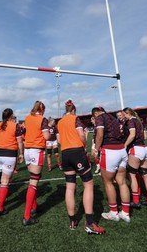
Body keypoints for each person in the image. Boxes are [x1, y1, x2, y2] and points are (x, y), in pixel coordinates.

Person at [57, 100, 105, 235]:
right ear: (74, 110)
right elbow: (82, 136)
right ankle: (90, 223)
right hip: (77, 152)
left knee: (70, 187)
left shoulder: (59, 122)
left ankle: (72, 221)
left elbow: (59, 140)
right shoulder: (75, 119)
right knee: (88, 185)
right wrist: (84, 143)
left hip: (65, 153)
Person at [91, 106, 130, 223]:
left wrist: (96, 149)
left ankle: (114, 212)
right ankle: (126, 212)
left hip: (110, 151)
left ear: (96, 113)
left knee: (108, 182)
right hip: (122, 151)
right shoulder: (113, 118)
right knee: (122, 182)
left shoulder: (100, 118)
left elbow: (100, 135)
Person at [22, 101, 50, 226]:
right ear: (42, 109)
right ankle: (27, 216)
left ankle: (34, 207)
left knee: (33, 178)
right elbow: (47, 136)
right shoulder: (42, 119)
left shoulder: (28, 117)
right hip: (36, 150)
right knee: (34, 181)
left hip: (27, 149)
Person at [123, 107, 147, 208]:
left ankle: (136, 201)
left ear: (127, 113)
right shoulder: (138, 121)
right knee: (145, 175)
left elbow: (132, 135)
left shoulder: (131, 121)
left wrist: (124, 145)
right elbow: (145, 137)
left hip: (136, 149)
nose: (123, 116)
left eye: (124, 114)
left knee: (132, 175)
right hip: (144, 148)